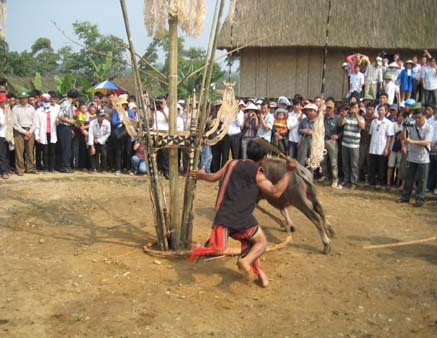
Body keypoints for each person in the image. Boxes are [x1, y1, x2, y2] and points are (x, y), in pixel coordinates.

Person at [189, 140, 297, 288]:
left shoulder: (231, 163)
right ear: (263, 158)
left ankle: (260, 275)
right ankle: (246, 261)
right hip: (242, 220)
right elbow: (275, 192)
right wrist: (289, 171)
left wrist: (201, 175)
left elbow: (213, 177)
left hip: (223, 217)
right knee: (261, 242)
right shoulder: (258, 174)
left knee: (249, 243)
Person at [398, 104, 434, 207]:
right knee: (409, 178)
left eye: (419, 117)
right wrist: (404, 128)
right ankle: (405, 197)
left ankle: (420, 199)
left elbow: (426, 142)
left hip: (423, 157)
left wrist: (411, 141)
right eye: (415, 117)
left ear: (424, 116)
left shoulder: (429, 127)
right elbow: (402, 137)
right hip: (412, 156)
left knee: (422, 180)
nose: (417, 120)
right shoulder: (411, 125)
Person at [339, 102, 365, 189]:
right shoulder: (347, 117)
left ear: (358, 109)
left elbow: (362, 127)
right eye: (352, 107)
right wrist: (343, 115)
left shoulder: (361, 118)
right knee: (345, 163)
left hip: (354, 145)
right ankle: (346, 180)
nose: (353, 109)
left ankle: (354, 182)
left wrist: (356, 115)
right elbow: (340, 124)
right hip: (345, 144)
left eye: (355, 107)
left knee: (354, 164)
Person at [367, 105, 394, 188]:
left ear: (386, 112)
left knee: (381, 166)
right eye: (379, 110)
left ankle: (379, 182)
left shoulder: (389, 123)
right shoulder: (373, 122)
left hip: (382, 148)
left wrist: (387, 148)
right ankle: (371, 181)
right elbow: (370, 134)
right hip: (373, 147)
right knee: (372, 165)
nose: (380, 112)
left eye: (382, 110)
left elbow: (389, 137)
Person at [12, 91, 38, 175]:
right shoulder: (15, 109)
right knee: (19, 152)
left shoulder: (31, 108)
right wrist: (25, 132)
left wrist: (29, 132)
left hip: (30, 130)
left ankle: (30, 168)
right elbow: (15, 124)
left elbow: (34, 122)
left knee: (30, 151)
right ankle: (20, 169)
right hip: (19, 131)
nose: (24, 100)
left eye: (25, 98)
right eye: (22, 98)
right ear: (19, 99)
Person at [111, 94, 136, 175]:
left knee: (128, 151)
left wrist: (128, 121)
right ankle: (118, 168)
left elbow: (134, 121)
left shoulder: (130, 112)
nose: (124, 106)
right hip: (119, 133)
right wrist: (121, 122)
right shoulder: (115, 111)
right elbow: (113, 122)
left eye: (125, 104)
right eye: (122, 104)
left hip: (128, 133)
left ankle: (128, 168)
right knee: (118, 151)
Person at [34, 94, 58, 173]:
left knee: (52, 151)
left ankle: (52, 167)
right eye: (45, 101)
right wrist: (37, 136)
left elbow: (57, 121)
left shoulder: (54, 110)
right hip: (43, 133)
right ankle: (46, 168)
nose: (47, 102)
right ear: (42, 101)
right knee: (45, 151)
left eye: (48, 101)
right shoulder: (38, 111)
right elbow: (36, 125)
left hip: (52, 133)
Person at [57, 89, 78, 173]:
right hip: (64, 127)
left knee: (67, 147)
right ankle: (64, 166)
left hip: (67, 127)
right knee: (65, 147)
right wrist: (69, 121)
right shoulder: (65, 103)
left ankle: (66, 165)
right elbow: (60, 116)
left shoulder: (69, 104)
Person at [321, 100, 341, 189]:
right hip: (323, 140)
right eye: (327, 107)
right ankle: (325, 176)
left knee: (333, 162)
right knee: (323, 160)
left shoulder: (337, 118)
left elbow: (342, 130)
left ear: (333, 109)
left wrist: (338, 135)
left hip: (332, 142)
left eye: (330, 108)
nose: (328, 109)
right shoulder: (322, 117)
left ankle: (335, 179)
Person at [152, 96, 169, 178]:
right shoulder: (155, 110)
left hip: (164, 133)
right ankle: (157, 170)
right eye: (159, 102)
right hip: (155, 132)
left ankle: (166, 171)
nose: (160, 104)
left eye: (161, 102)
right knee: (156, 152)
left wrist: (163, 111)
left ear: (165, 102)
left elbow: (169, 120)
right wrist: (153, 110)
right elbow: (151, 120)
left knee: (164, 152)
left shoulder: (168, 110)